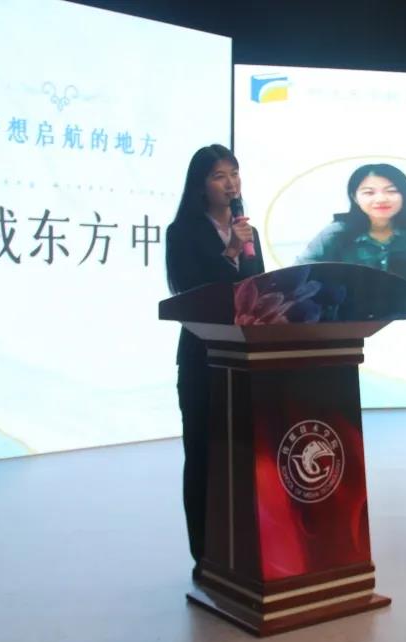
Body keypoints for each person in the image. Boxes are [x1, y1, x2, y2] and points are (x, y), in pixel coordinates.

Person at [165, 145, 264, 578]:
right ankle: (204, 554)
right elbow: (189, 289)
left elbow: (257, 289)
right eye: (219, 176)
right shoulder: (183, 232)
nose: (230, 183)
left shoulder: (247, 230)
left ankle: (242, 550)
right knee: (203, 453)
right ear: (201, 185)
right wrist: (229, 252)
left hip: (245, 358)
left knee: (243, 455)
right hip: (202, 358)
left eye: (234, 174)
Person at [297, 163, 406, 271]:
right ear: (354, 198)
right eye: (369, 193)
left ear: (405, 195)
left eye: (391, 191)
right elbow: (300, 271)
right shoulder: (336, 233)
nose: (381, 199)